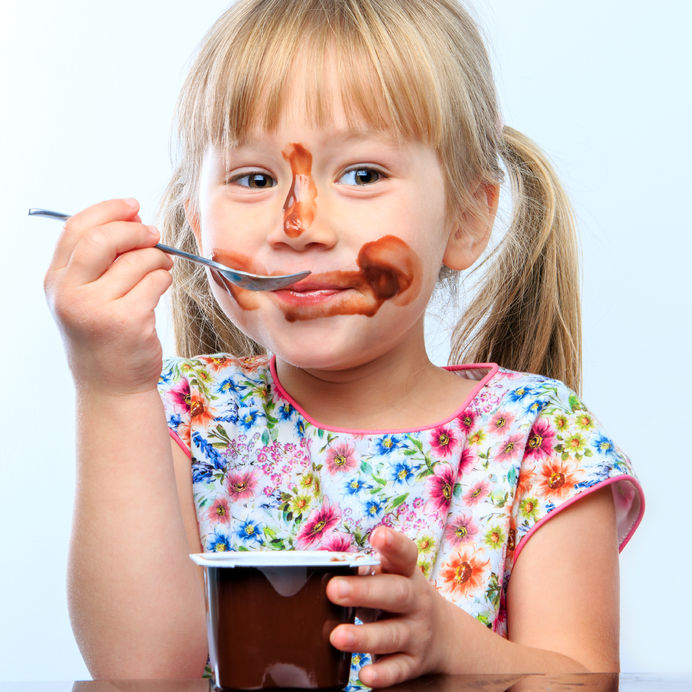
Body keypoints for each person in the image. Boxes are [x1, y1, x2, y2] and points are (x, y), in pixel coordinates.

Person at [44, 0, 644, 688]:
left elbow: (582, 678)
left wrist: (455, 649)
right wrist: (108, 386)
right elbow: (140, 674)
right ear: (194, 222)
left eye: (362, 174)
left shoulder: (538, 437)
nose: (300, 224)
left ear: (467, 219)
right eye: (255, 179)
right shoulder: (180, 415)